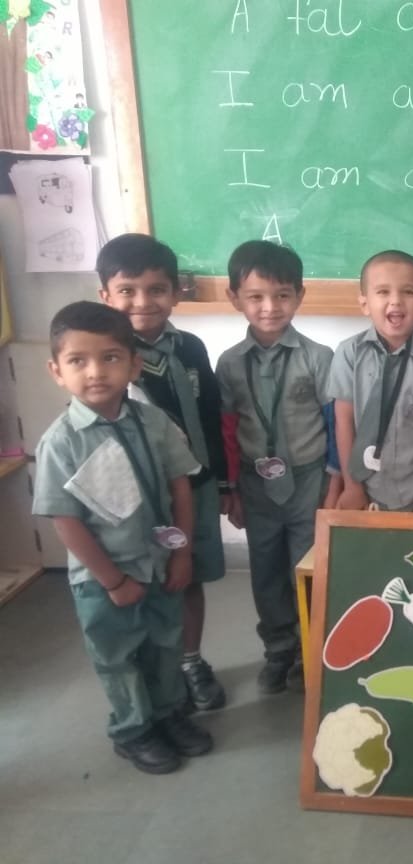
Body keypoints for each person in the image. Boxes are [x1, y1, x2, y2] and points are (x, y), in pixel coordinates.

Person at [32, 301, 214, 774]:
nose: (96, 372)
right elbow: (65, 520)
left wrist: (182, 555)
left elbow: (180, 486)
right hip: (104, 579)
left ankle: (169, 713)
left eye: (110, 357)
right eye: (78, 360)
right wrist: (112, 581)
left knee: (166, 644)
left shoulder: (154, 422)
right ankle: (134, 731)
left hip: (160, 564)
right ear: (57, 371)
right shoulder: (61, 441)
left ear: (134, 365)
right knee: (119, 656)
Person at [97, 234, 229, 713]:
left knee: (188, 576)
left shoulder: (191, 348)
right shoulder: (104, 357)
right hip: (140, 498)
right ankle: (159, 672)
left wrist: (224, 482)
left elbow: (211, 414)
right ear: (105, 296)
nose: (142, 301)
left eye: (156, 289)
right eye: (127, 290)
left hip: (196, 486)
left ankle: (191, 661)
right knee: (146, 581)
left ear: (176, 292)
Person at [215, 240, 339, 694]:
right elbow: (228, 430)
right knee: (265, 571)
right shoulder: (229, 364)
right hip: (256, 485)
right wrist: (230, 488)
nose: (270, 307)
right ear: (235, 298)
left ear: (299, 296)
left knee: (308, 568)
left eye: (283, 295)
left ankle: (312, 649)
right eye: (256, 297)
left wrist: (335, 481)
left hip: (308, 480)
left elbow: (334, 423)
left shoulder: (318, 357)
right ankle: (279, 649)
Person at [328, 250, 413, 512]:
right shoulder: (348, 354)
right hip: (363, 492)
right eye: (383, 292)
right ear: (365, 303)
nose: (396, 301)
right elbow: (343, 422)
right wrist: (352, 487)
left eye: (408, 292)